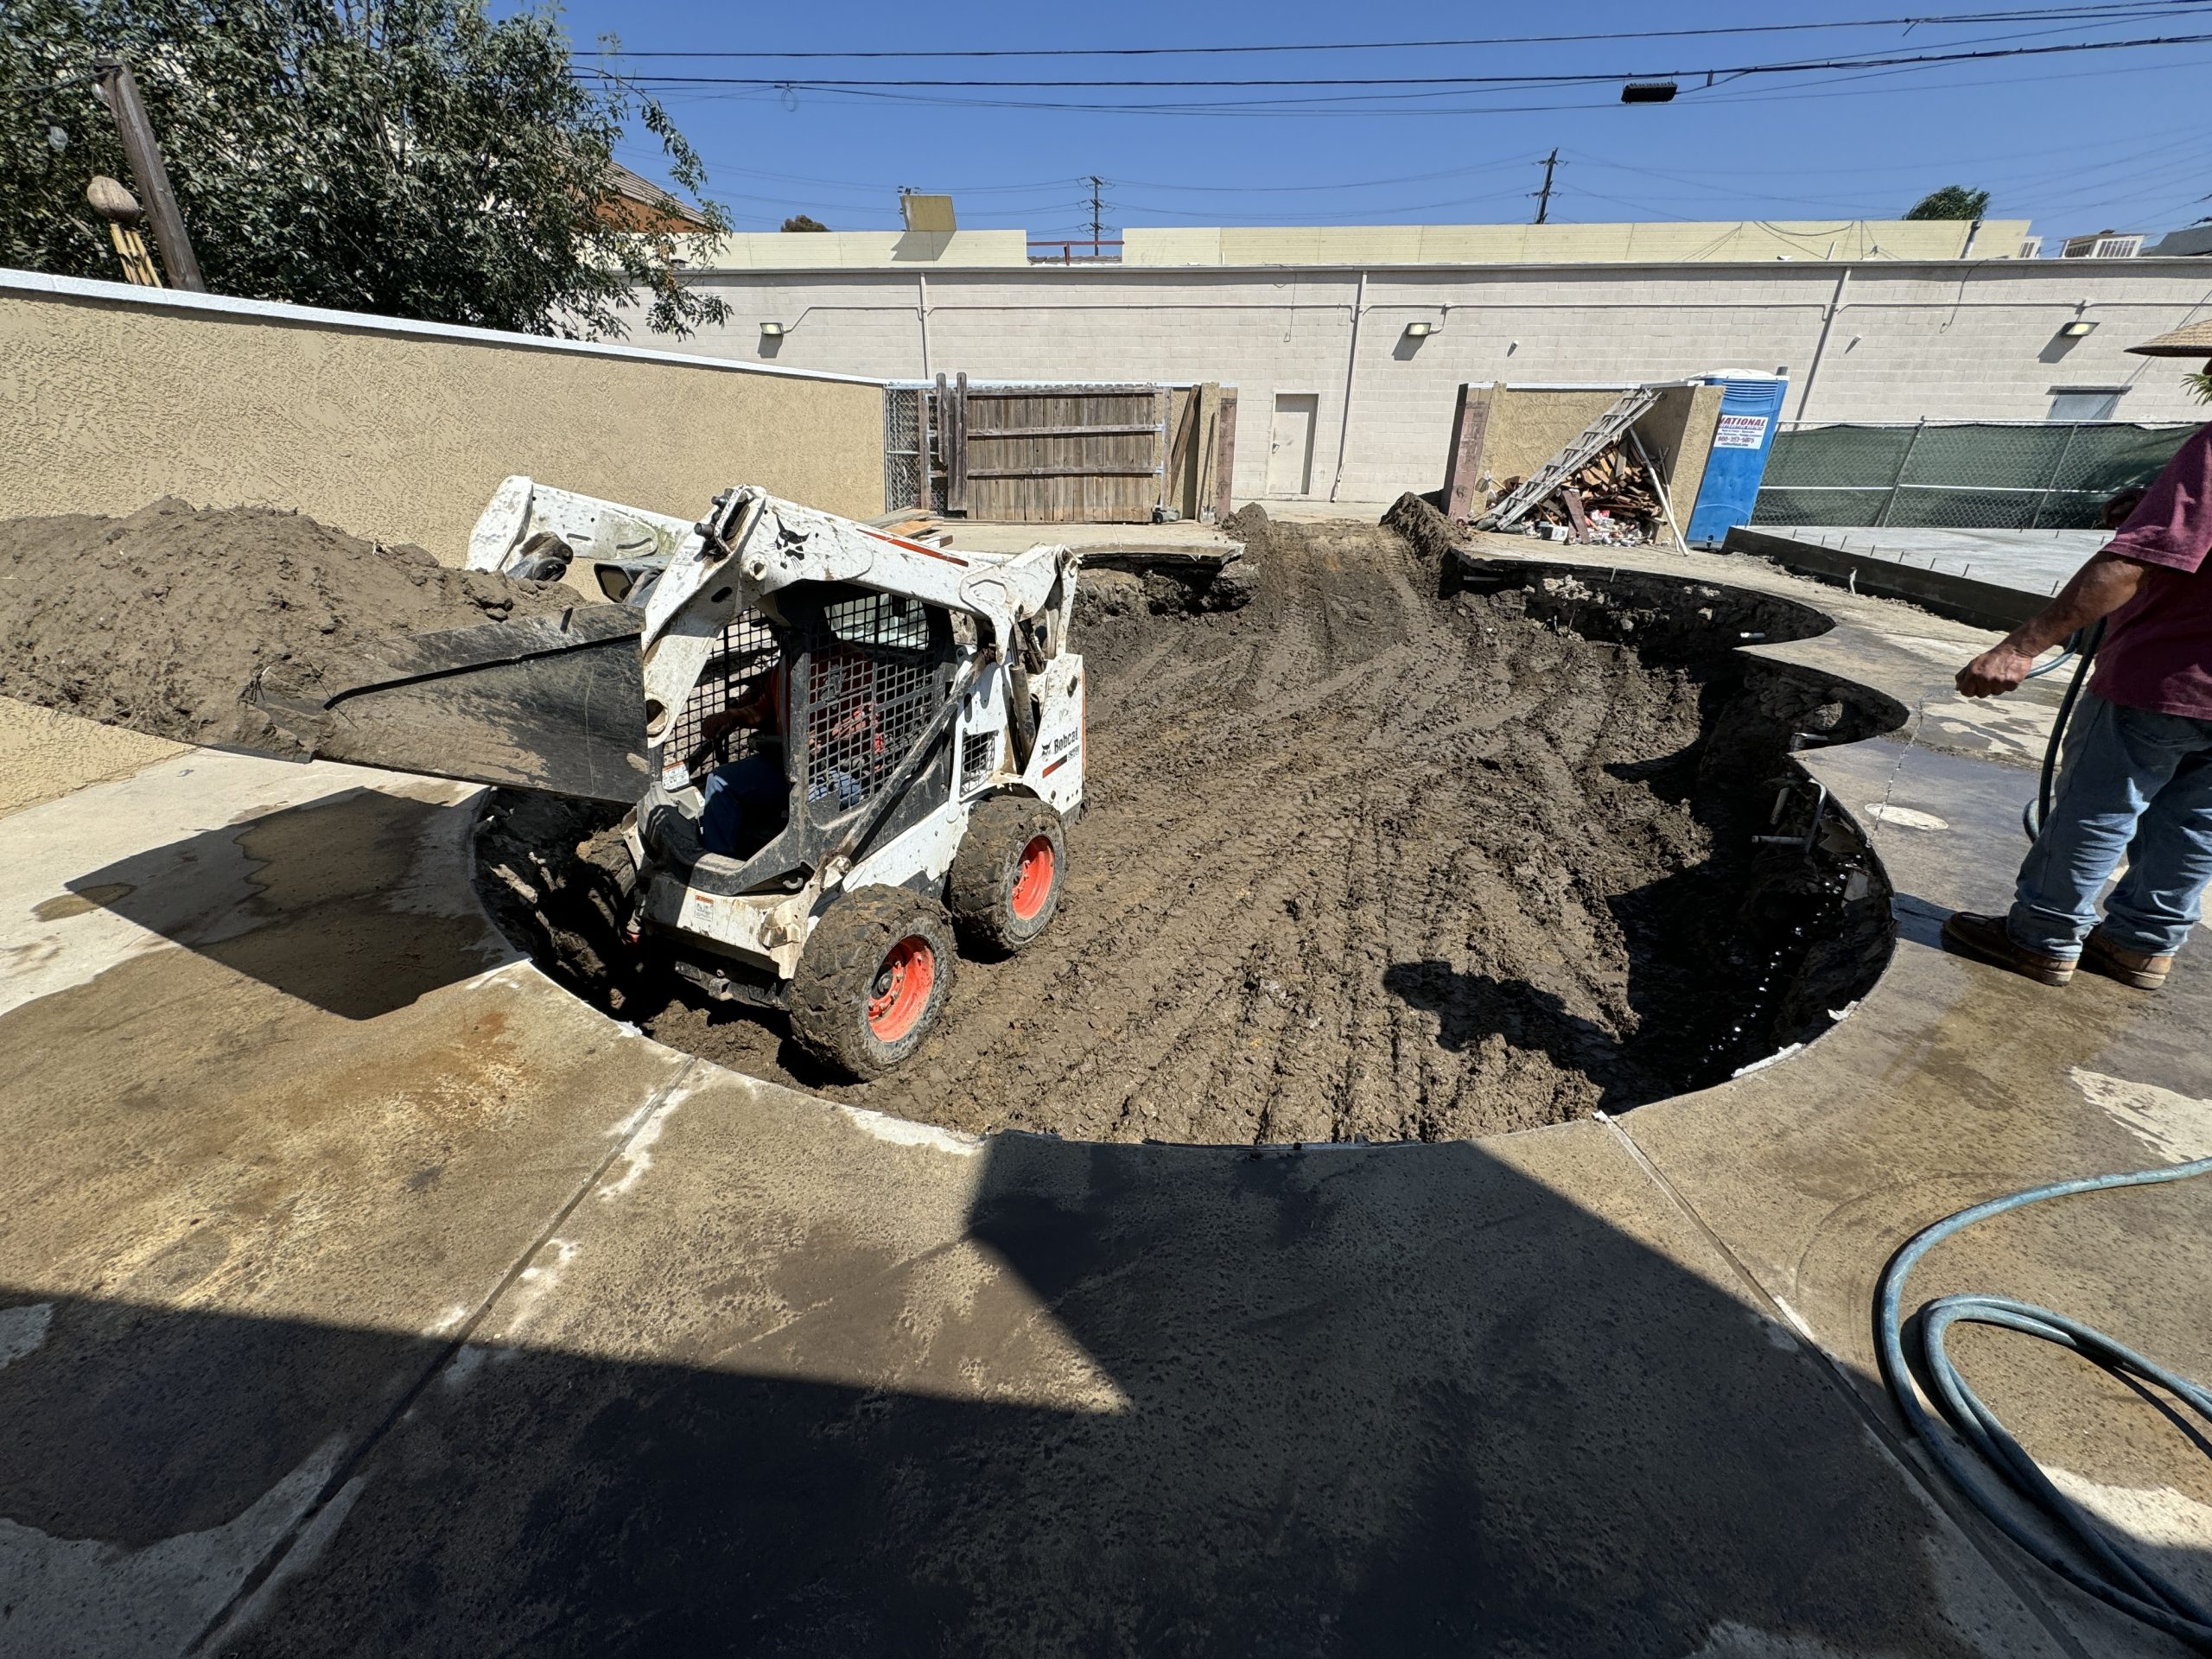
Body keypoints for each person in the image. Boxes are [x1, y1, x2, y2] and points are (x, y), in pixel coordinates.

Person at [1944, 418, 2212, 989]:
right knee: (2195, 822)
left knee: (2102, 805)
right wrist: (2151, 507)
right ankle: (2140, 947)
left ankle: (2041, 937)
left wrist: (2021, 647)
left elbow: (2134, 562)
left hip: (2170, 673)